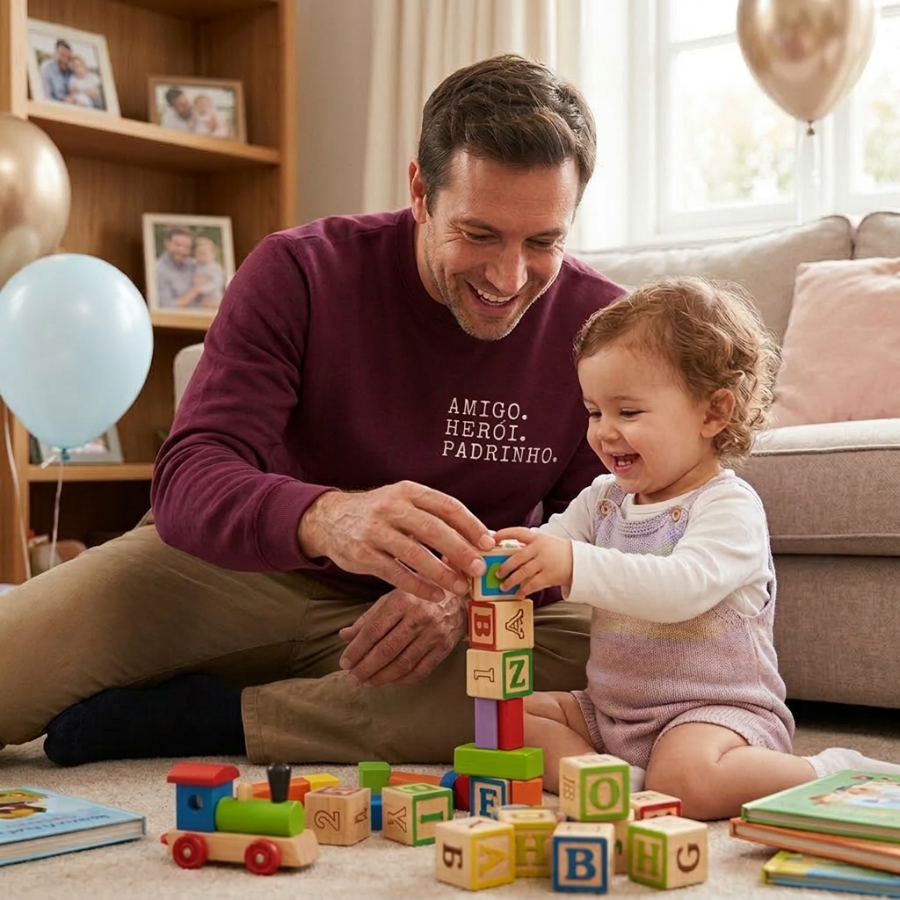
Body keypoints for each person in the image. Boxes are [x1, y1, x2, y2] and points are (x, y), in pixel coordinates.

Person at [0, 54, 625, 768]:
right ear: (420, 191)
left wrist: (468, 597)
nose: (510, 277)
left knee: (603, 665)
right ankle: (292, 690)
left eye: (543, 242)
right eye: (479, 234)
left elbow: (604, 528)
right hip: (234, 574)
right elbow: (188, 477)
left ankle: (217, 718)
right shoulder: (299, 270)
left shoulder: (599, 327)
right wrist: (330, 518)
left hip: (435, 621)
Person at [493, 276, 900, 821]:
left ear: (712, 413)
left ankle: (830, 770)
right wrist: (504, 555)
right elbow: (553, 543)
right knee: (508, 722)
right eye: (594, 412)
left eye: (628, 413)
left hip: (716, 714)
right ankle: (616, 780)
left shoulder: (727, 507)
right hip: (612, 712)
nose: (604, 432)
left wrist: (571, 564)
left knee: (690, 780)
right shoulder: (603, 500)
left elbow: (678, 589)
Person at [154, 227, 202, 309]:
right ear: (167, 243)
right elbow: (167, 307)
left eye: (187, 247)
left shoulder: (194, 265)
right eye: (178, 245)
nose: (182, 250)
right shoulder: (158, 270)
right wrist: (194, 290)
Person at [192, 236, 227, 308]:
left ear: (213, 255)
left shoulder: (215, 268)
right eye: (198, 253)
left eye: (203, 253)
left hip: (213, 295)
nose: (200, 256)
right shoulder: (196, 265)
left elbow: (217, 283)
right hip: (199, 298)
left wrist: (202, 289)